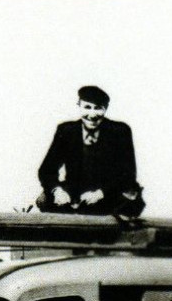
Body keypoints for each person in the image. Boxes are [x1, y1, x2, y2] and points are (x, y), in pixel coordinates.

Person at [34, 85, 144, 216]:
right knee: (44, 200)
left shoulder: (120, 131)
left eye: (98, 108)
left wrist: (100, 193)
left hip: (110, 192)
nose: (92, 115)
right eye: (87, 107)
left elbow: (128, 175)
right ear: (79, 106)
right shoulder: (67, 130)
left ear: (106, 109)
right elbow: (47, 170)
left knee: (124, 206)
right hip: (76, 193)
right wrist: (57, 191)